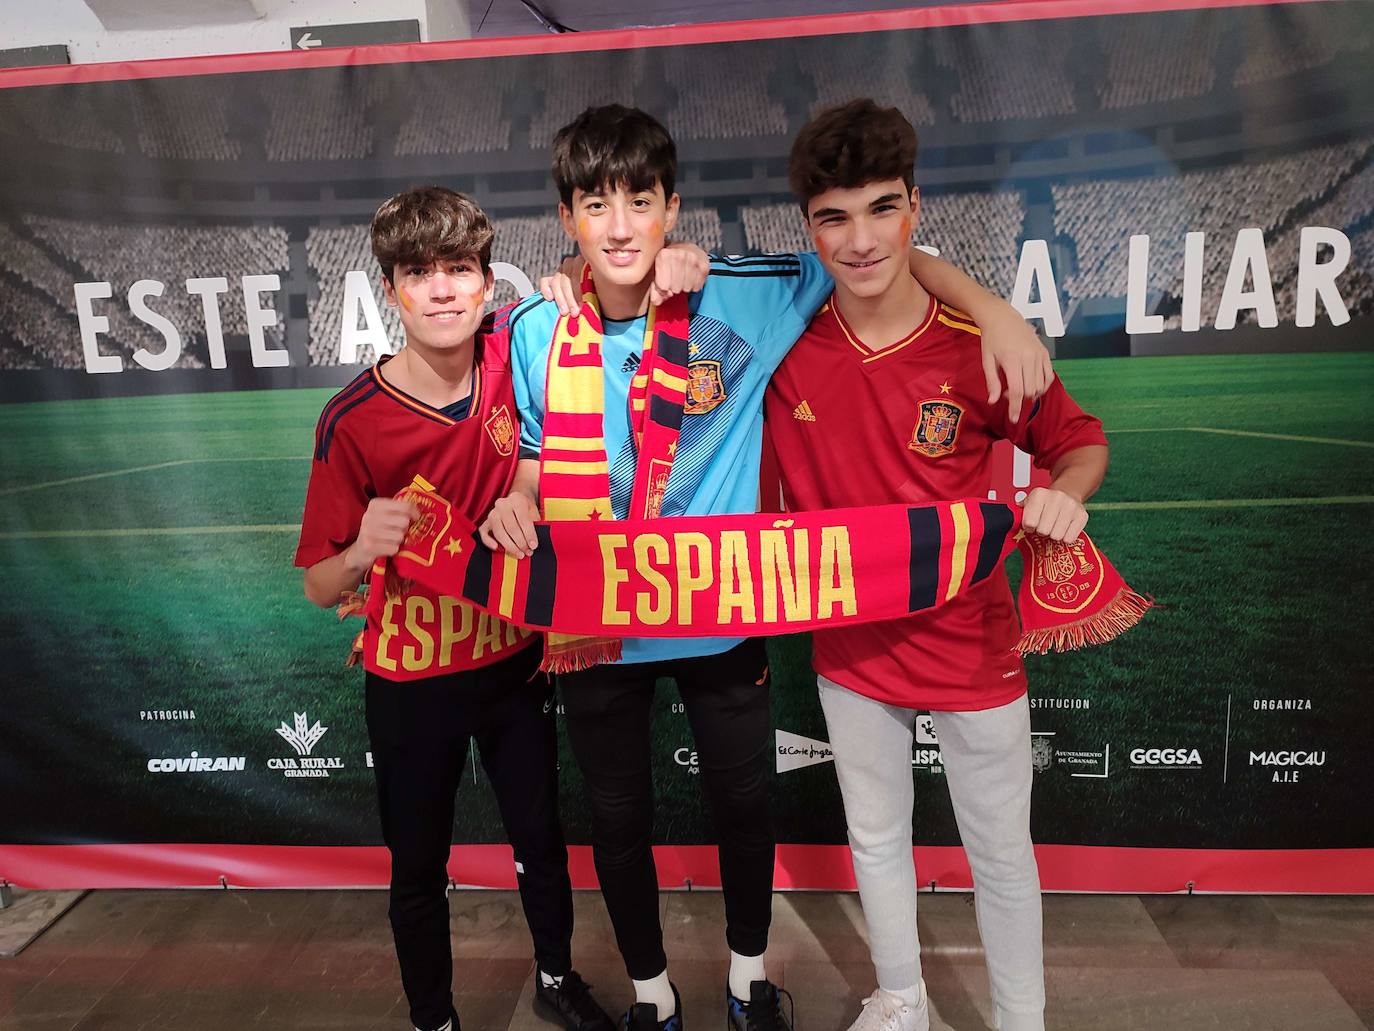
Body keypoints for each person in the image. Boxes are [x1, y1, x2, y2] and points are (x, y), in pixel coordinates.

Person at [479, 105, 1054, 1031]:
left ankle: (749, 979)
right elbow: (538, 454)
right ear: (566, 219)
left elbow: (876, 259)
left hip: (720, 616)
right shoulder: (538, 328)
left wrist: (990, 307)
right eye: (596, 204)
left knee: (744, 805)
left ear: (673, 208)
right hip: (597, 629)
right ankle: (652, 994)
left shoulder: (744, 291)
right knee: (619, 821)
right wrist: (517, 488)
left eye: (640, 200)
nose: (620, 224)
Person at [764, 99, 1111, 1031]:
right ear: (809, 227)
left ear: (915, 206)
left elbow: (1079, 443)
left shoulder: (978, 345)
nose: (861, 238)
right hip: (849, 642)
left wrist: (1067, 494)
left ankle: (1020, 1018)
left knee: (999, 849)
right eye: (834, 216)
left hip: (969, 639)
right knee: (876, 838)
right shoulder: (784, 350)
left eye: (882, 208)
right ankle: (901, 999)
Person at [294, 186, 615, 1031]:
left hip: (511, 661)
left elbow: (601, 277)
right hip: (410, 681)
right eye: (418, 272)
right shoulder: (352, 420)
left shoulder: (514, 351)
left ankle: (555, 978)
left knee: (541, 844)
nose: (442, 289)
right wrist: (362, 547)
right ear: (392, 289)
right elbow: (319, 584)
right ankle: (433, 1018)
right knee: (417, 869)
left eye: (459, 270)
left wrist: (523, 485)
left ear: (485, 281)